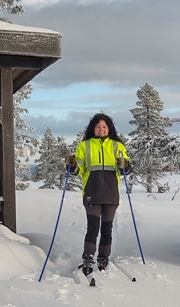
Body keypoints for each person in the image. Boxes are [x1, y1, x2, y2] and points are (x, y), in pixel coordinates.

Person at [65, 113, 132, 275]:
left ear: (109, 128)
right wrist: (72, 165)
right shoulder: (85, 145)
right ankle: (88, 258)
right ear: (93, 128)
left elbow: (126, 170)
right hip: (92, 192)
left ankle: (103, 257)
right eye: (98, 127)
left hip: (110, 193)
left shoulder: (117, 146)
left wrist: (125, 165)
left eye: (104, 127)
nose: (101, 130)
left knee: (107, 228)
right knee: (93, 227)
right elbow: (78, 168)